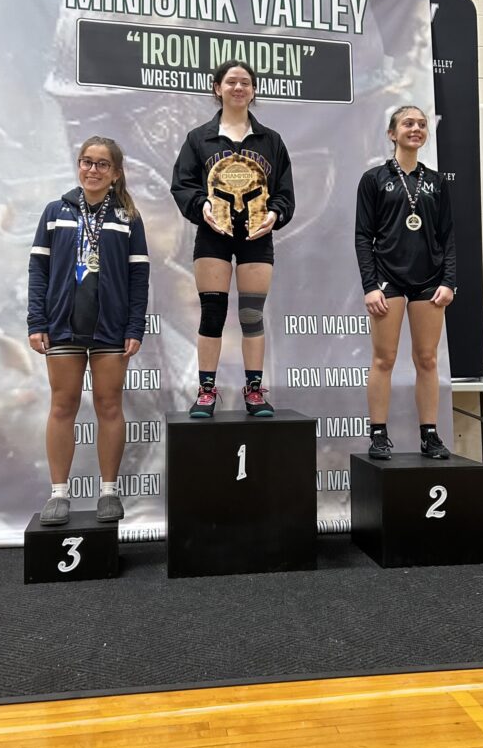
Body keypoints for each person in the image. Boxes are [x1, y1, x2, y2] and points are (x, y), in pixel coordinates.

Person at [28, 137, 150, 525]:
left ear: (115, 173)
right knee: (62, 406)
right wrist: (36, 321)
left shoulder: (128, 216)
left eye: (101, 164)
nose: (92, 170)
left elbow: (139, 277)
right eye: (86, 162)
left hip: (110, 328)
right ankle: (58, 493)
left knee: (109, 405)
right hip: (63, 325)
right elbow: (38, 272)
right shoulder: (55, 212)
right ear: (78, 165)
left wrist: (134, 325)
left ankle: (109, 492)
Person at [171, 60, 294, 418]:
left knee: (252, 314)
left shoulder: (271, 141)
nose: (238, 88)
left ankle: (254, 392)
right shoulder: (199, 138)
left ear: (253, 91)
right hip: (213, 236)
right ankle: (206, 392)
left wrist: (275, 215)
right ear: (217, 88)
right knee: (212, 313)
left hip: (256, 237)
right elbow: (183, 185)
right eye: (231, 82)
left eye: (245, 82)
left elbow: (284, 192)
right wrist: (201, 208)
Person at [355, 105, 456, 461]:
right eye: (408, 123)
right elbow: (363, 236)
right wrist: (370, 285)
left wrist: (449, 281)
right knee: (384, 358)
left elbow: (447, 237)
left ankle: (429, 435)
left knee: (427, 359)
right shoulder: (373, 180)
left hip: (429, 282)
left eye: (422, 124)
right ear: (391, 133)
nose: (416, 128)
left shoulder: (437, 182)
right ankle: (378, 435)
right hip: (388, 280)